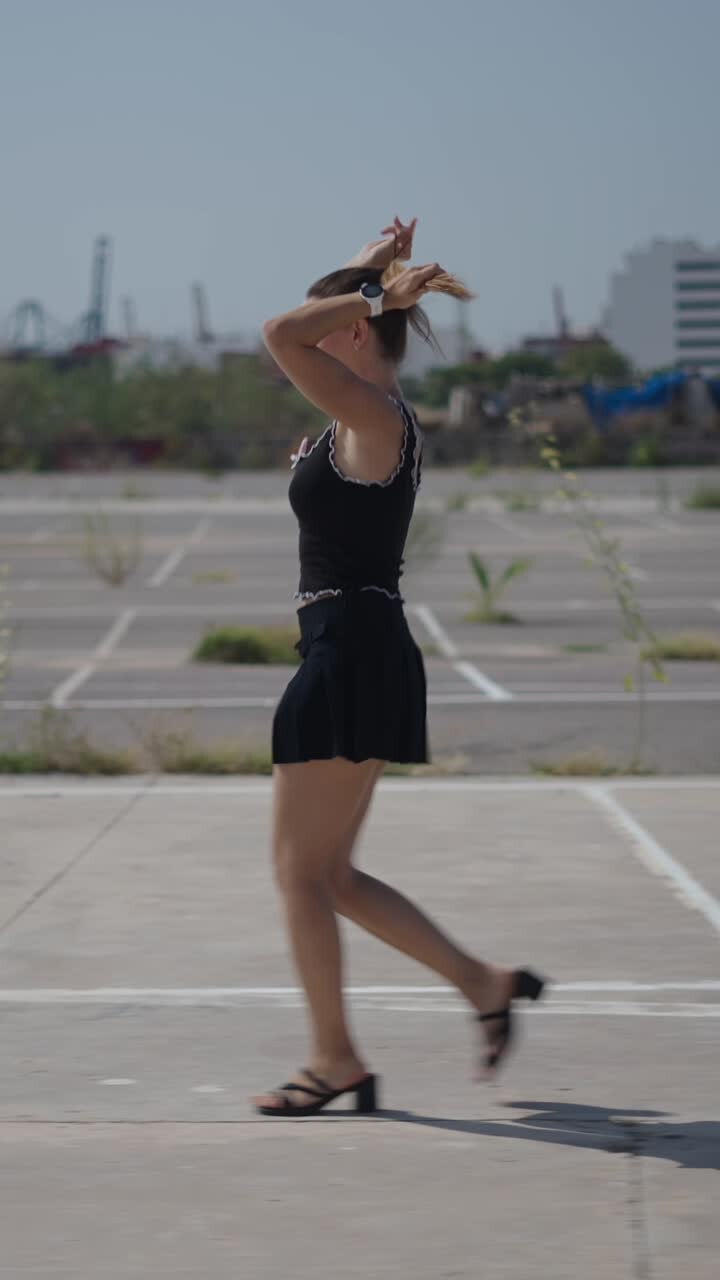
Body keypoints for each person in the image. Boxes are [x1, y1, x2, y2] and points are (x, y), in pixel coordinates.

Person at [253, 217, 544, 1117]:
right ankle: (485, 986)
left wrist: (379, 290)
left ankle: (335, 1059)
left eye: (329, 318)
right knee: (330, 874)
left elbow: (277, 334)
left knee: (302, 875)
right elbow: (306, 326)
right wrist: (376, 266)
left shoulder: (375, 418)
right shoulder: (363, 421)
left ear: (349, 335)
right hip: (358, 647)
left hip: (351, 652)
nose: (312, 327)